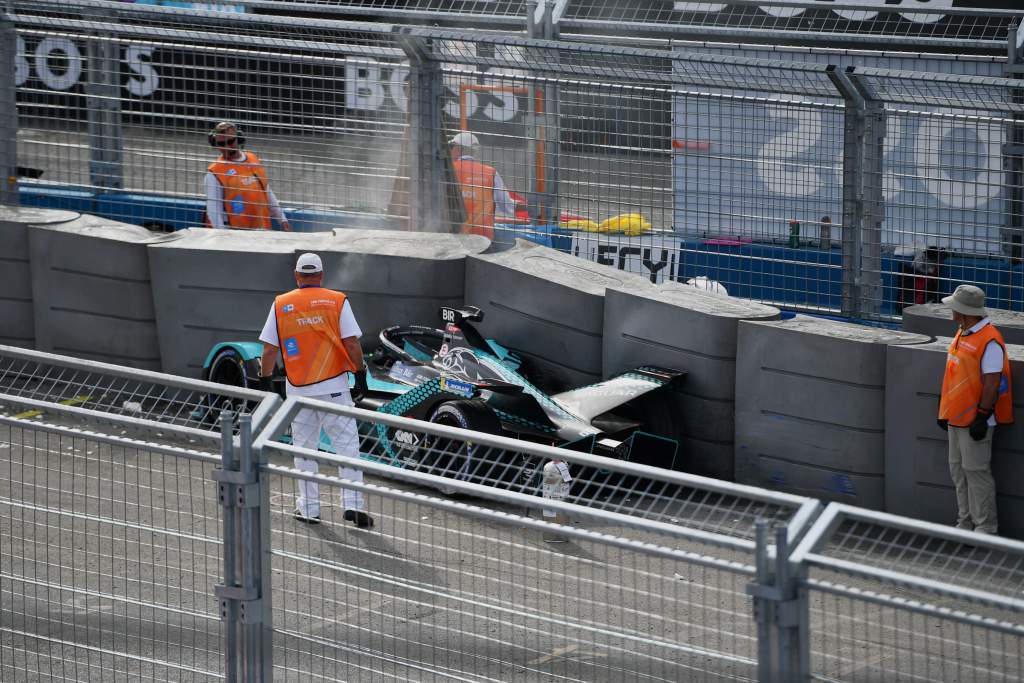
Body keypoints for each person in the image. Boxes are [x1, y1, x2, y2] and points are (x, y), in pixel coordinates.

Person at [257, 252, 372, 528]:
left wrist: (265, 379)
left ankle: (309, 510)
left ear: (297, 275)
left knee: (305, 449)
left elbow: (270, 349)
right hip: (334, 387)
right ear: (321, 275)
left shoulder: (281, 304)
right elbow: (352, 344)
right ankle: (353, 507)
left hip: (298, 389)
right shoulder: (337, 300)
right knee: (347, 448)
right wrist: (361, 374)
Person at [937, 284, 1014, 535]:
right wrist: (945, 412)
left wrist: (981, 417)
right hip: (957, 418)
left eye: (954, 308)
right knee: (958, 472)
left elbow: (992, 384)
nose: (951, 312)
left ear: (964, 312)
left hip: (974, 421)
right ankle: (964, 523)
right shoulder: (965, 331)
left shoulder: (989, 340)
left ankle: (985, 529)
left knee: (976, 473)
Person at [205, 121, 292, 231]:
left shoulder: (253, 159)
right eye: (221, 144)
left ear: (239, 139)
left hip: (263, 229)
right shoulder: (215, 172)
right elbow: (213, 211)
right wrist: (224, 237)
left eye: (231, 141)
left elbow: (266, 190)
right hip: (237, 234)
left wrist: (282, 219)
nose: (227, 147)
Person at [450, 131, 516, 240]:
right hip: (483, 238)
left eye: (452, 147)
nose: (451, 150)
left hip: (453, 236)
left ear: (458, 149)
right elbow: (506, 206)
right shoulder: (491, 173)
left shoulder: (447, 169)